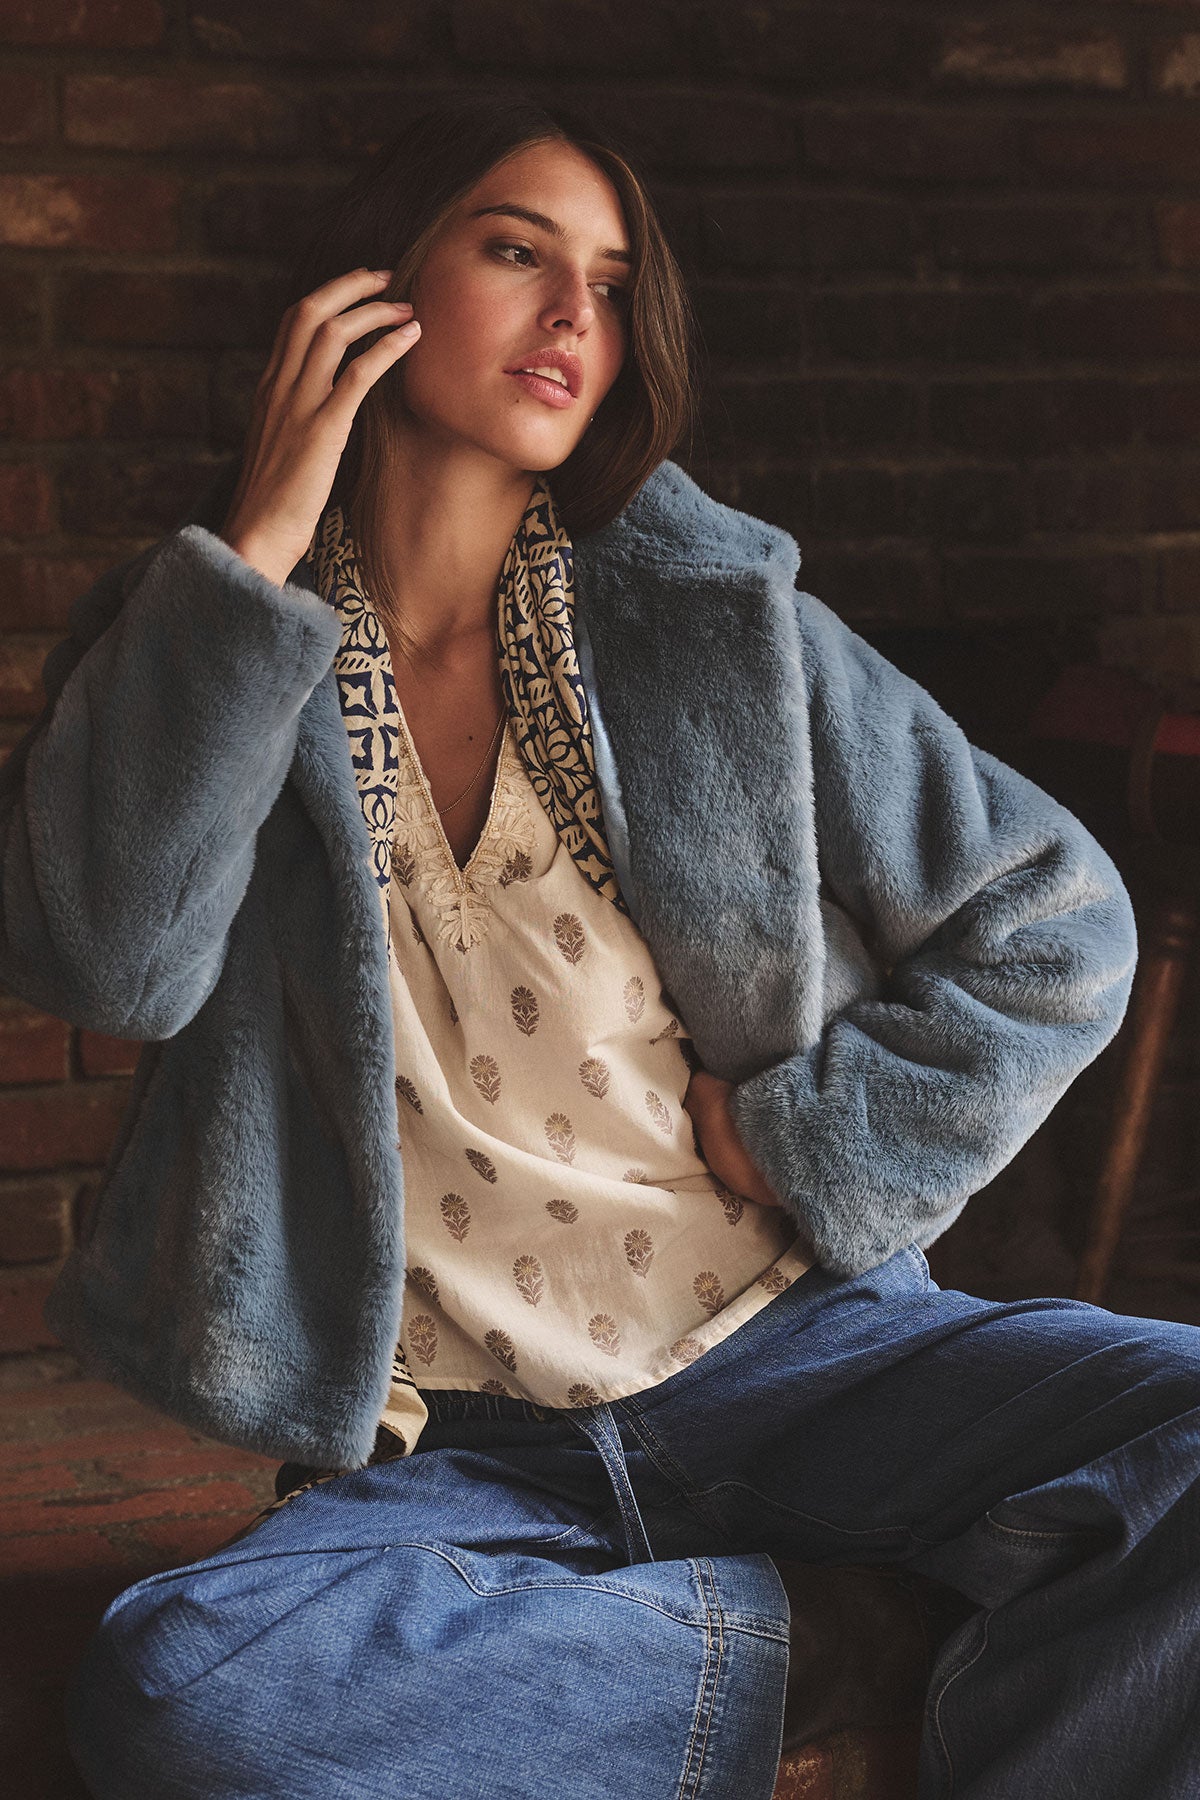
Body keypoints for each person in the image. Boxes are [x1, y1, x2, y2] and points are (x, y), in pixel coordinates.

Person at [1, 88, 1194, 1800]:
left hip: (808, 1355)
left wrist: (818, 1138)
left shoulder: (723, 629)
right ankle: (822, 1645)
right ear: (374, 287)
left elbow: (1060, 917)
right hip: (467, 1448)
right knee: (184, 1687)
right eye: (516, 251)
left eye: (617, 282)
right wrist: (255, 549)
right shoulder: (200, 651)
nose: (580, 316)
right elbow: (107, 963)